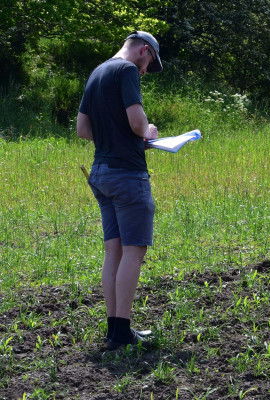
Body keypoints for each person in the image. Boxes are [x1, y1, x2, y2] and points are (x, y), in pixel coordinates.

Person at [76, 31, 163, 349]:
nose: (144, 72)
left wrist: (113, 137)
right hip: (128, 175)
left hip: (101, 172)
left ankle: (115, 331)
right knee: (134, 251)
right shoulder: (126, 70)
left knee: (113, 251)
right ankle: (123, 331)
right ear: (144, 51)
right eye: (148, 64)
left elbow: (82, 129)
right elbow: (138, 124)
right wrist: (149, 131)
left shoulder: (97, 72)